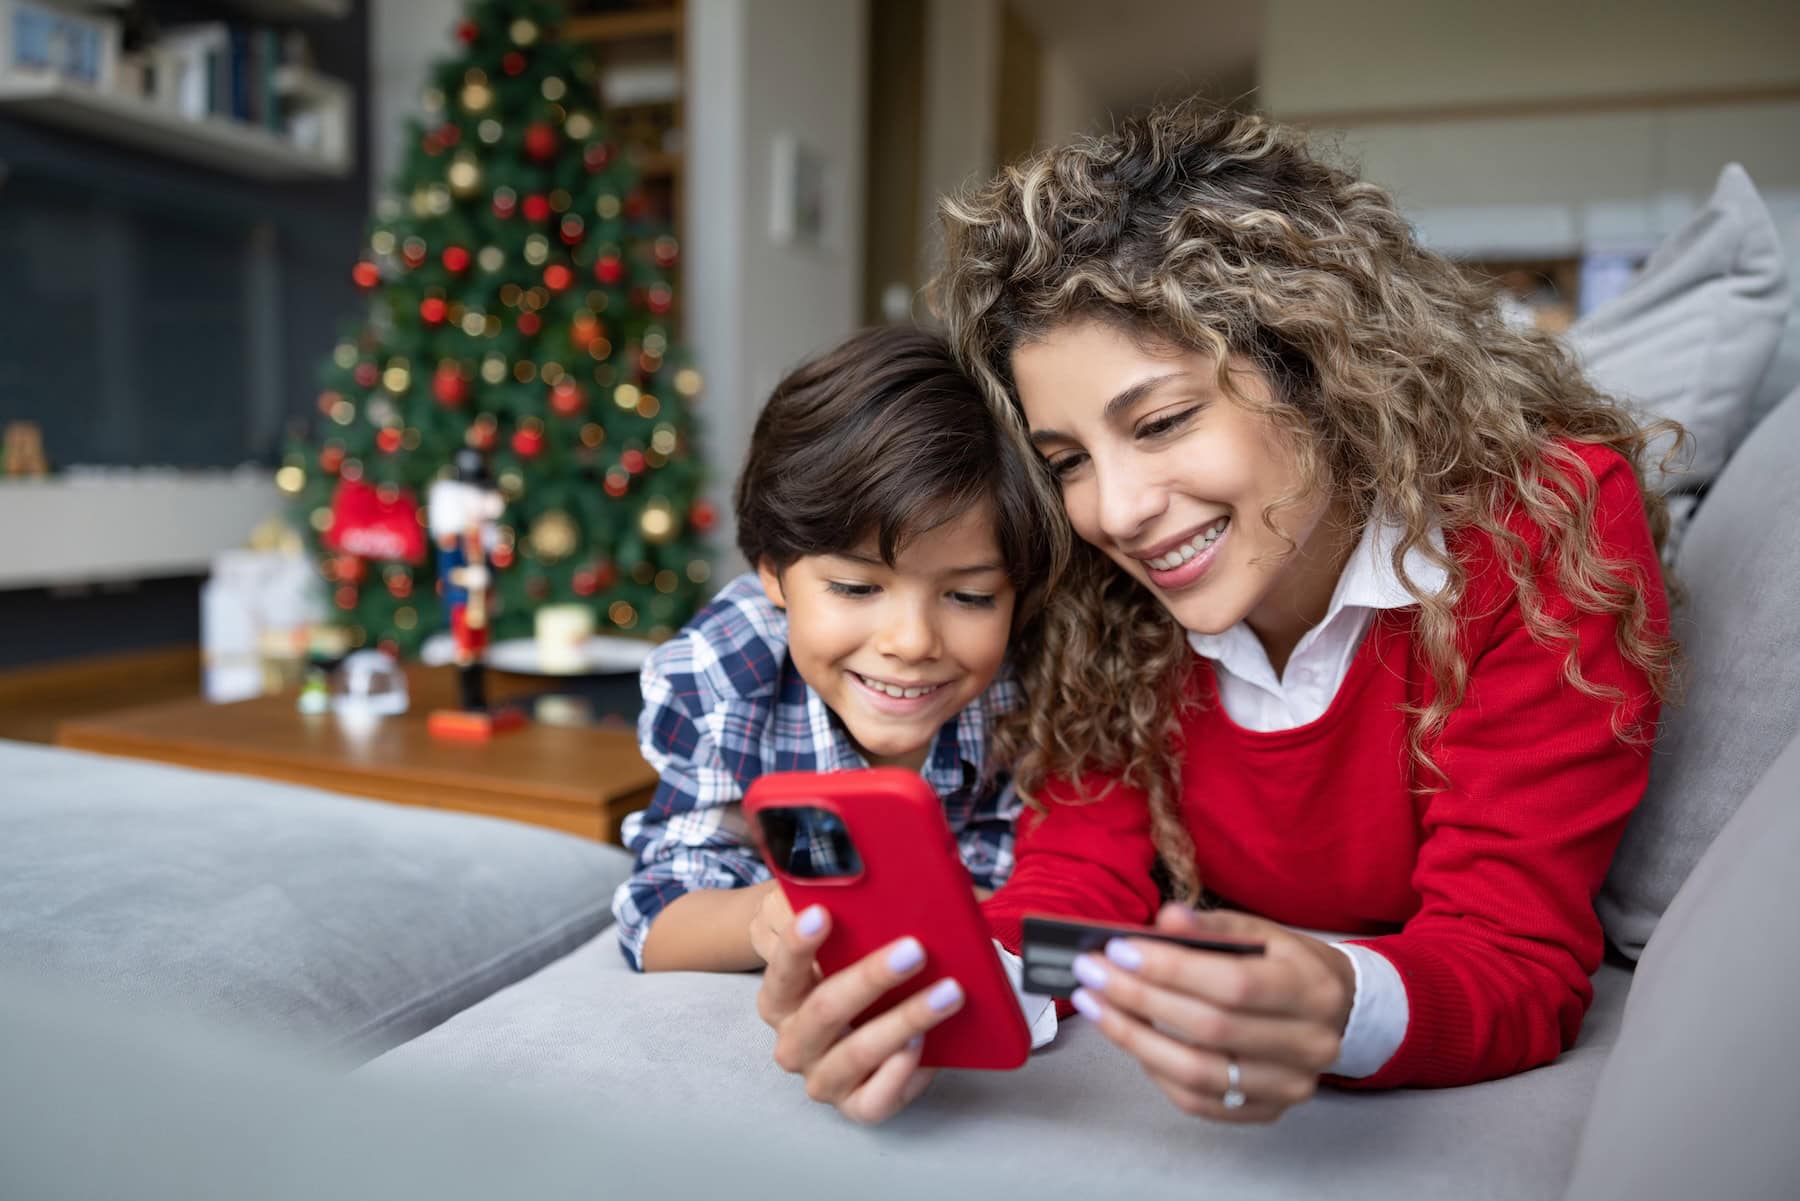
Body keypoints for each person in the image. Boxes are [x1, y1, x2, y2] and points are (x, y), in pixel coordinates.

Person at [753, 101, 1680, 1126]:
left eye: (1161, 421)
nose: (1116, 510)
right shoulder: (1106, 589)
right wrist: (956, 989)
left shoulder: (1543, 524)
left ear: (1318, 368)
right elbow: (1079, 871)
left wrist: (1336, 1001)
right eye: (1069, 461)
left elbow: (1514, 955)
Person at [613, 326, 1055, 973]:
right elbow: (650, 920)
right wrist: (772, 911)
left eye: (970, 597)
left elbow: (1057, 917)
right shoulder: (722, 678)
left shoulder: (1032, 686)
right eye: (855, 586)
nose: (911, 642)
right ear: (774, 573)